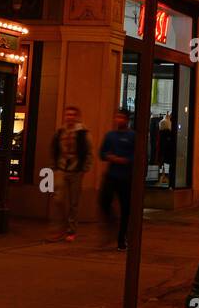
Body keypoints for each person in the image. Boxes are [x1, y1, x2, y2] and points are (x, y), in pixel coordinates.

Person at [47, 105, 92, 242]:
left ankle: (71, 230)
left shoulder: (83, 132)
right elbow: (54, 148)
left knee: (74, 202)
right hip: (61, 168)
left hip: (76, 170)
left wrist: (84, 167)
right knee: (58, 199)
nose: (70, 117)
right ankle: (60, 227)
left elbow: (88, 150)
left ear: (77, 117)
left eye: (72, 115)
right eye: (68, 115)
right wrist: (54, 166)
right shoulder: (60, 132)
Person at [99, 109, 136, 250]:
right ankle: (113, 222)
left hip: (126, 177)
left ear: (127, 120)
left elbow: (137, 154)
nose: (118, 120)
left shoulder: (132, 136)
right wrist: (110, 157)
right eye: (117, 117)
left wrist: (125, 160)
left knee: (126, 208)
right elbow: (102, 153)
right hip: (112, 175)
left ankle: (122, 238)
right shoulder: (110, 135)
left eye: (121, 117)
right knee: (104, 201)